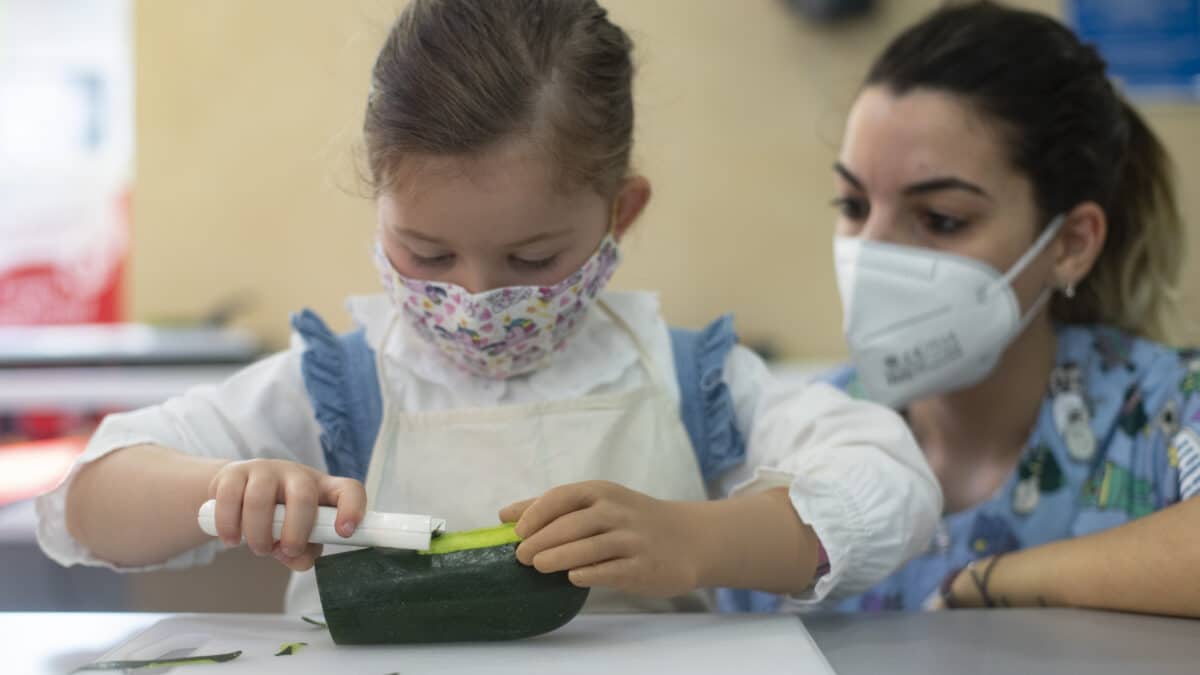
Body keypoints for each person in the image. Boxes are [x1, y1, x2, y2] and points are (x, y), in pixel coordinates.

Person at [37, 0, 940, 614]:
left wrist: (699, 538)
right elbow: (86, 503)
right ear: (380, 204)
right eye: (426, 252)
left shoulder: (686, 380)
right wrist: (217, 490)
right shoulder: (339, 387)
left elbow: (894, 484)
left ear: (622, 212)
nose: (474, 296)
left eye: (532, 257)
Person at [825, 1, 1199, 615]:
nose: (871, 256)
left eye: (941, 219)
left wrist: (995, 581)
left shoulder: (1163, 415)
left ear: (1071, 244)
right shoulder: (806, 434)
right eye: (853, 206)